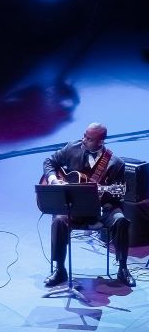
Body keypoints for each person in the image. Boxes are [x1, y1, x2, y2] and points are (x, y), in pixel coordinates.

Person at [43, 123, 135, 288]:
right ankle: (60, 269)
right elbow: (49, 162)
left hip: (102, 209)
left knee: (121, 221)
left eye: (89, 138)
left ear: (100, 142)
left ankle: (122, 268)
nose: (84, 139)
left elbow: (119, 195)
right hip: (74, 208)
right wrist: (53, 180)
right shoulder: (72, 147)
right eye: (84, 135)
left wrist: (103, 193)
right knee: (58, 221)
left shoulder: (116, 163)